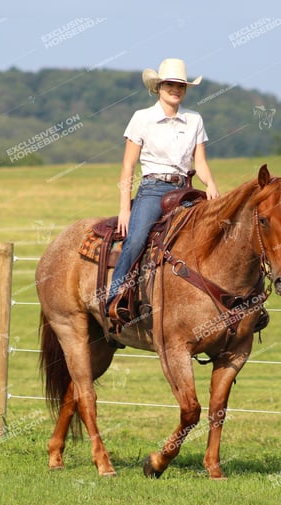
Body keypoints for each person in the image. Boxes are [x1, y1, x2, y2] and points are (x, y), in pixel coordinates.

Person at [106, 58, 219, 327]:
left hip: (185, 190)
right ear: (158, 87)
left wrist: (211, 184)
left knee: (212, 235)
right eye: (170, 84)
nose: (175, 89)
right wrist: (125, 208)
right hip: (153, 189)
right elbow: (127, 165)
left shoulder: (194, 119)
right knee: (135, 240)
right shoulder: (142, 118)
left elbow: (199, 162)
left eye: (180, 85)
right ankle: (114, 298)